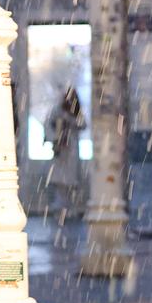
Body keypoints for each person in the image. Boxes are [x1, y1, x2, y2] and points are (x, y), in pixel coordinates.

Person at [46, 87, 86, 218]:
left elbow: (83, 125)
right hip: (60, 148)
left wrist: (70, 121)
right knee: (60, 179)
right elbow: (49, 124)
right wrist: (56, 137)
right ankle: (60, 208)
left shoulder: (76, 113)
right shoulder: (57, 110)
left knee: (70, 180)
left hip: (72, 148)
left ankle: (67, 208)